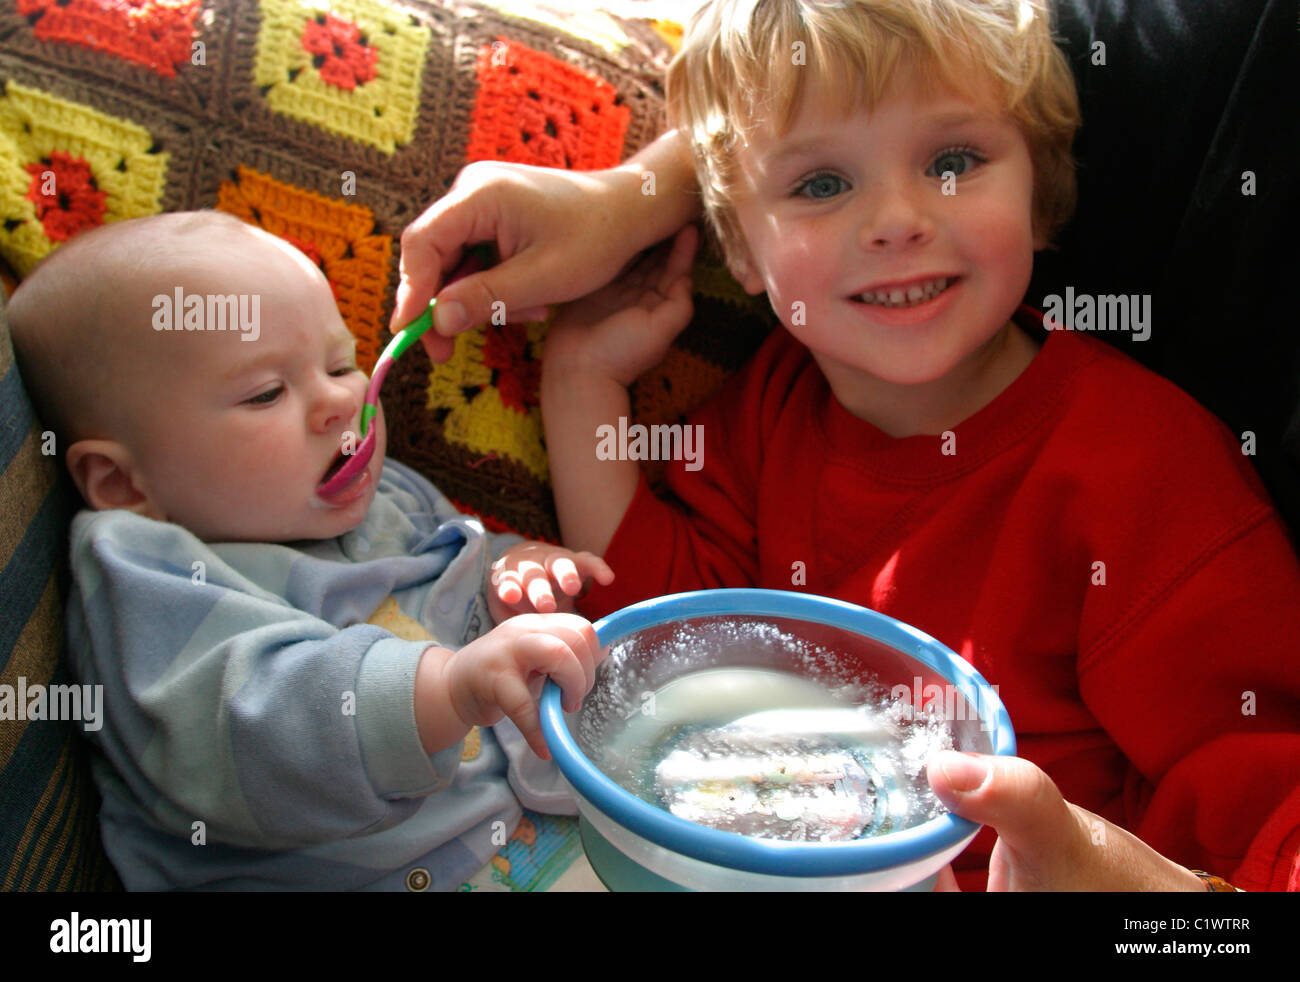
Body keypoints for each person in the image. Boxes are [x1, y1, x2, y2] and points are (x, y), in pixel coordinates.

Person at [399, 0, 1300, 891]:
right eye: (822, 185)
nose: (898, 218)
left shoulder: (1145, 472)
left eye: (953, 161)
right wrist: (581, 383)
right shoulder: (770, 407)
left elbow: (1268, 798)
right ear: (741, 253)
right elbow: (658, 643)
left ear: (1040, 191)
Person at [6, 210, 612, 890]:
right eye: (267, 392)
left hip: (554, 842)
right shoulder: (144, 575)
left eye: (341, 363)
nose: (340, 402)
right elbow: (252, 729)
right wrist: (448, 689)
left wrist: (516, 572)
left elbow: (461, 565)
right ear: (123, 482)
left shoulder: (388, 497)